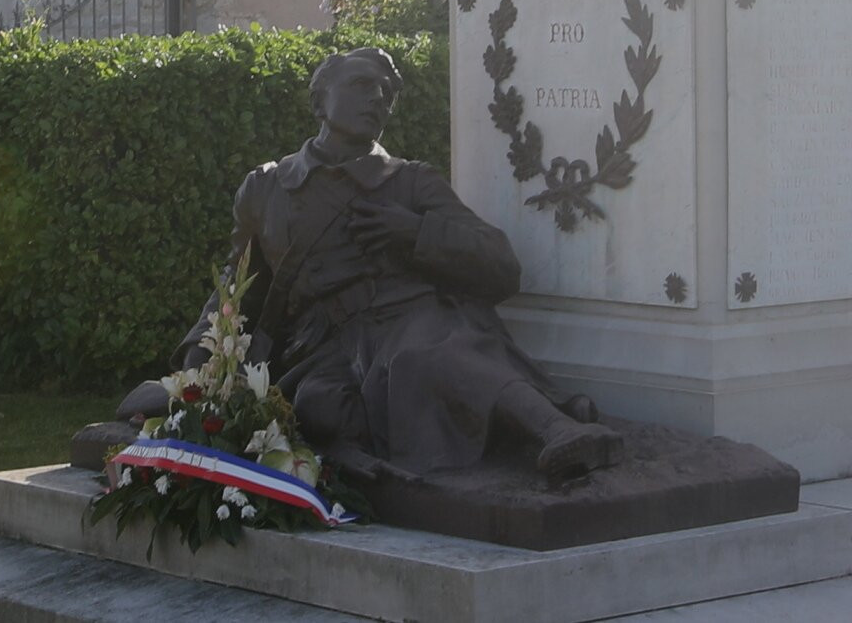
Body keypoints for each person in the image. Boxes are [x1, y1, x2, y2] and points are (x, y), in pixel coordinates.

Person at [153, 47, 623, 481]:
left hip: (412, 322)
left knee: (425, 354)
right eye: (362, 84)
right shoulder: (267, 188)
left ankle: (559, 430)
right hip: (327, 348)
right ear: (319, 102)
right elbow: (238, 288)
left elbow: (500, 265)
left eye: (387, 92)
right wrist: (195, 375)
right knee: (320, 409)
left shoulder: (411, 182)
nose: (378, 97)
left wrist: (415, 233)